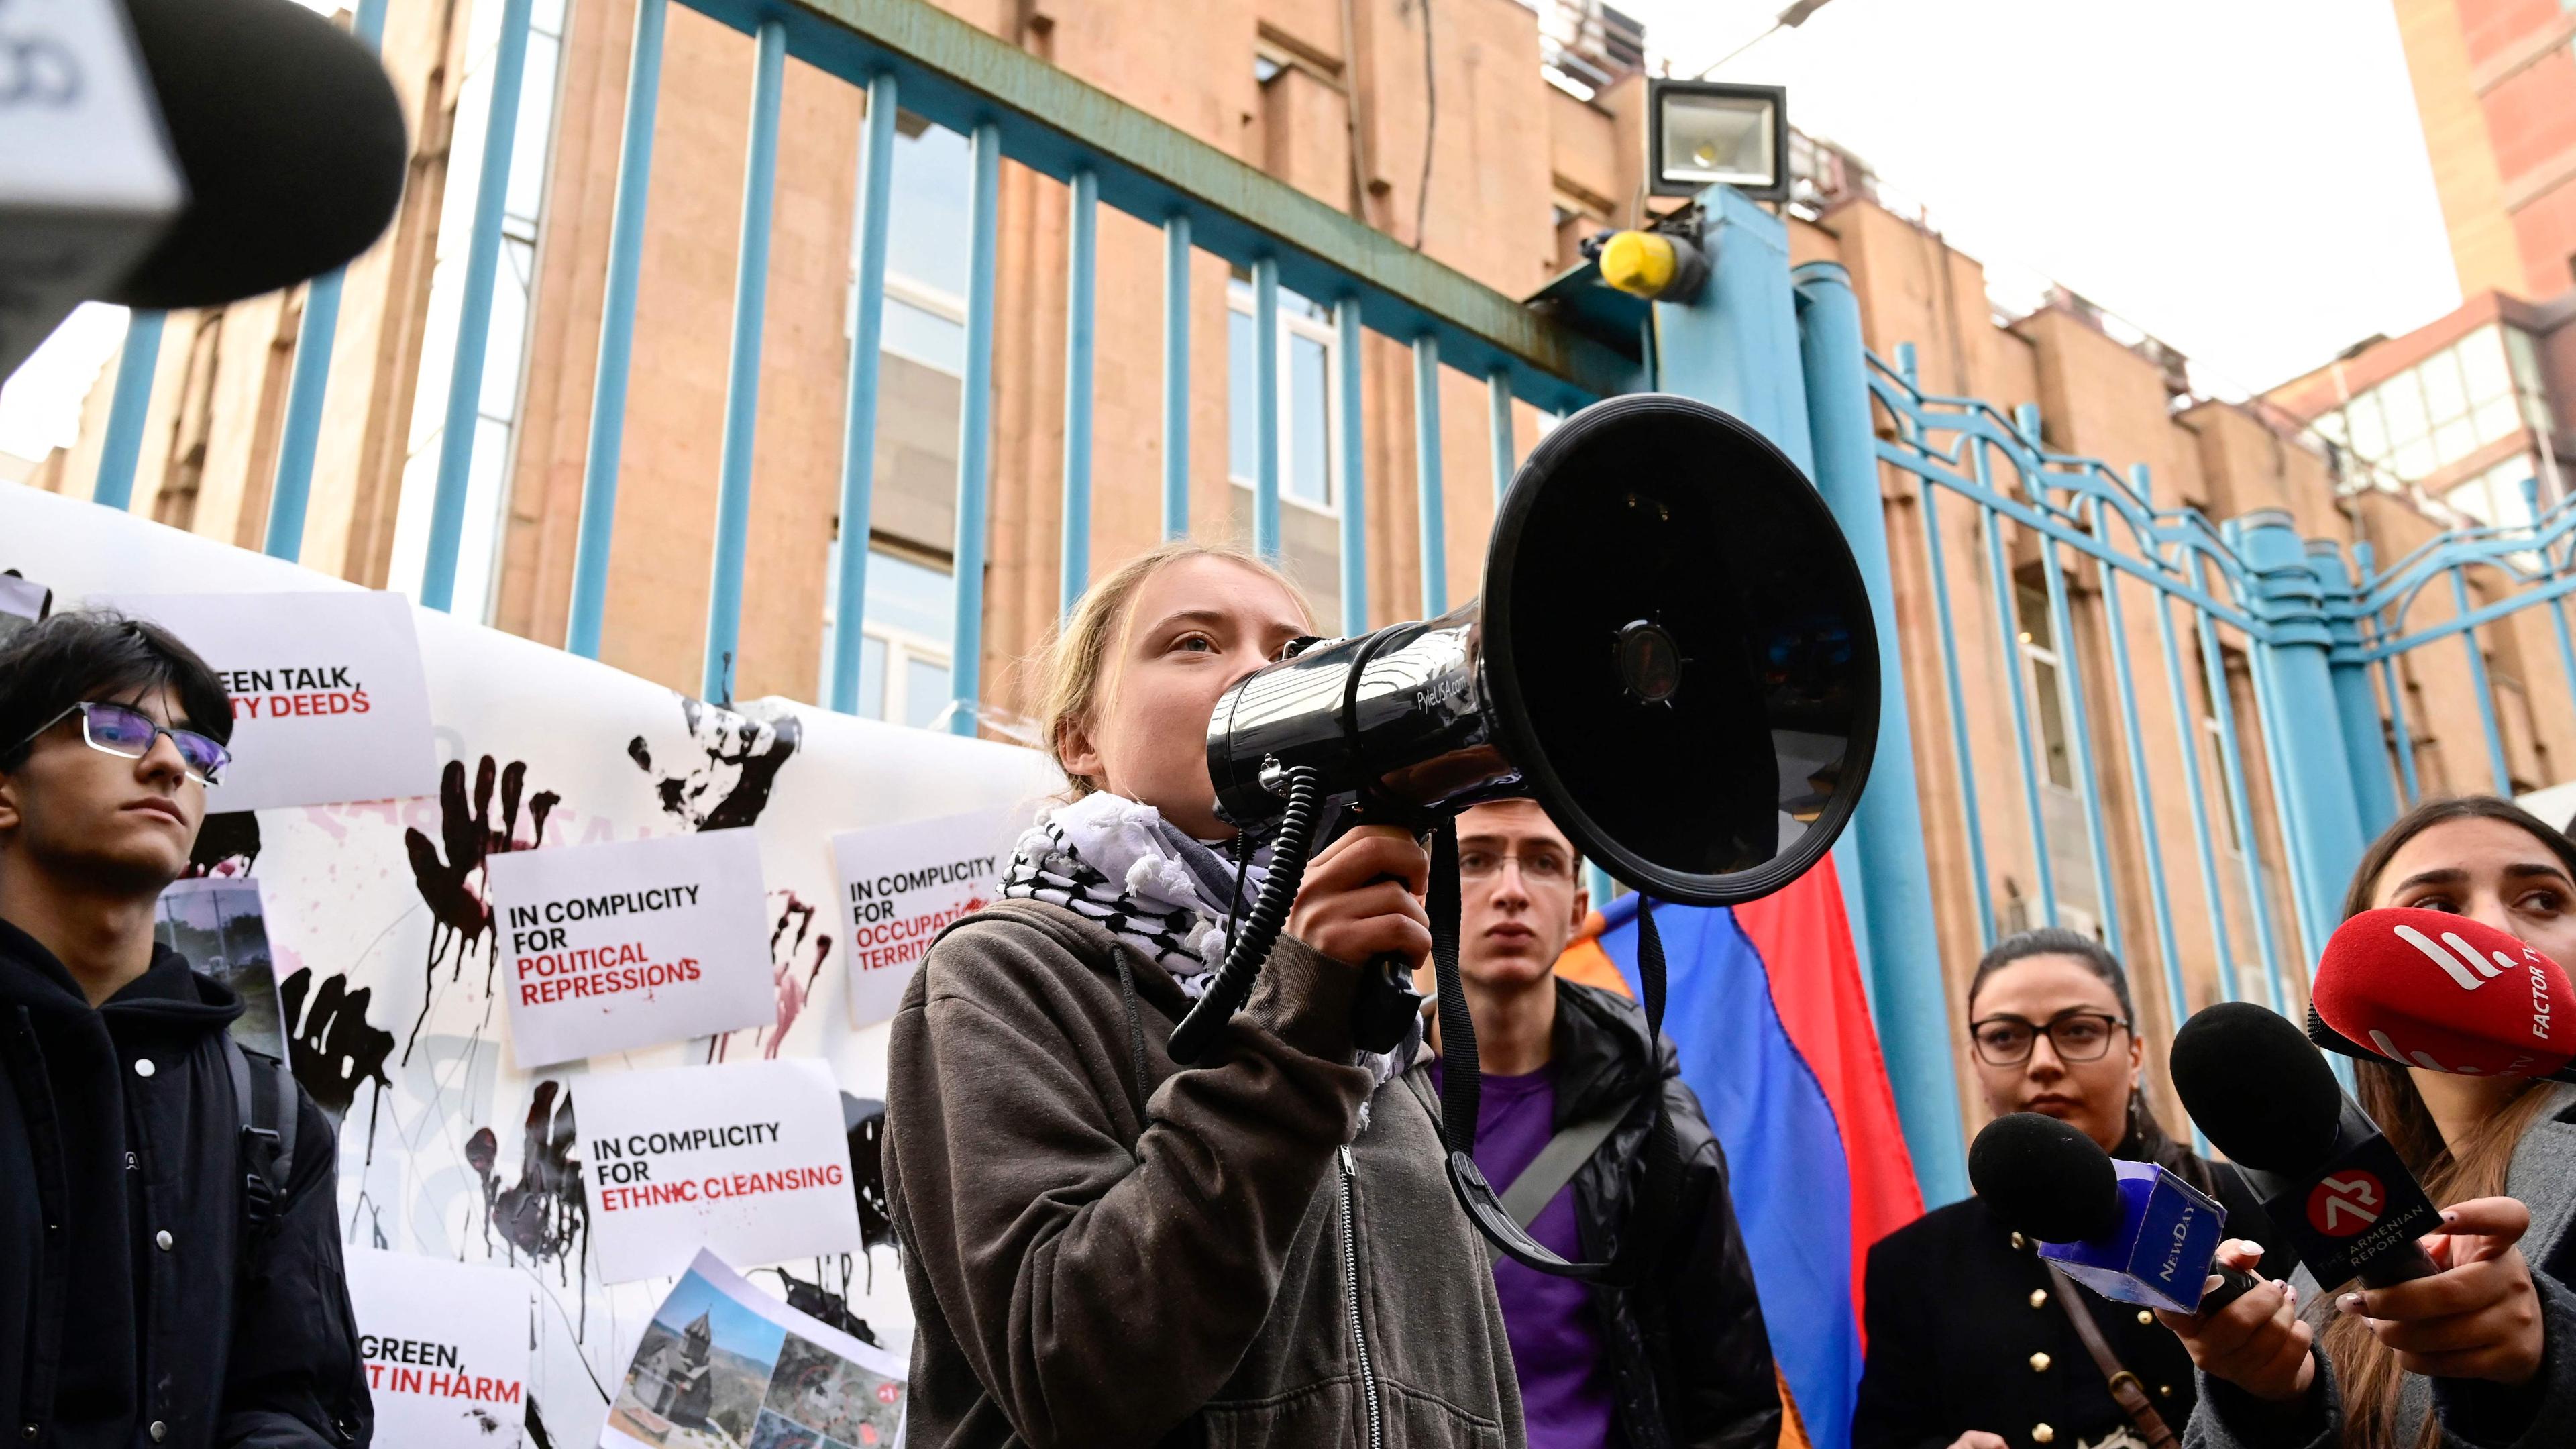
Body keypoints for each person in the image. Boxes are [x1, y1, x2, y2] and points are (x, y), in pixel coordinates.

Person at [880, 541, 1525, 1448]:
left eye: (1298, 655)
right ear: (1081, 740)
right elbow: (1075, 1370)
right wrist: (1296, 1031)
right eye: (1193, 643)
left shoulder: (1376, 1033)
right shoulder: (1003, 975)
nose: (1259, 673)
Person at [0, 610, 371, 1449]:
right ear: (5, 791)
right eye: (117, 729)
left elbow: (291, 1401)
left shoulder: (271, 1116)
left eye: (198, 751)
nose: (169, 763)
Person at [2164, 796, 2576, 1449]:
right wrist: (2270, 1404)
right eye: (2436, 909)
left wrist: (2548, 1362)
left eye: (2544, 900)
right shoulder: (2321, 1256)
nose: (2495, 927)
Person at [1430, 797, 1780, 1449]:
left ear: (1574, 908)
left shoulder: (1659, 1132)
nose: (1510, 891)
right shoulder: (1351, 1109)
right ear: (1426, 893)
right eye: (1474, 861)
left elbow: (1732, 1404)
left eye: (1540, 862)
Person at [1854, 928, 2290, 1449]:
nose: (2042, 1062)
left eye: (2079, 1031)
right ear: (1975, 1064)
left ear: (2133, 1056)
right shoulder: (1914, 1264)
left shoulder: (2245, 1203)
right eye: (2005, 1037)